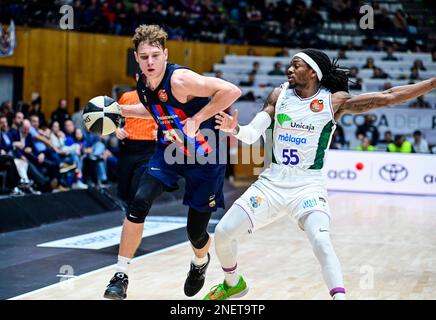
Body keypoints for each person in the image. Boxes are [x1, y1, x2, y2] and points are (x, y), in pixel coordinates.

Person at [204, 48, 436, 300]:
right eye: (290, 65)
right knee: (224, 232)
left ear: (313, 72)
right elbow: (251, 134)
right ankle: (233, 283)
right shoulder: (279, 95)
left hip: (307, 187)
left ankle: (339, 298)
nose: (289, 69)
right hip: (271, 184)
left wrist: (433, 82)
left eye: (296, 65)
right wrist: (235, 128)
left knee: (322, 242)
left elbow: (387, 96)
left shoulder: (333, 101)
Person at [102, 25, 241, 300]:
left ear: (165, 54)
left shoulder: (180, 80)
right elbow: (153, 110)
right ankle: (120, 274)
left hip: (206, 157)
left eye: (155, 55)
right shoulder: (143, 83)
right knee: (139, 200)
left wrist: (198, 118)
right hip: (169, 152)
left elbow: (231, 91)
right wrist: (120, 110)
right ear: (137, 58)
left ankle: (200, 263)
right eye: (144, 57)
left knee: (196, 233)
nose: (150, 62)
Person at [115, 75, 158, 210]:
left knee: (136, 189)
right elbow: (114, 115)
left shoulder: (160, 98)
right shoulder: (127, 97)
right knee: (123, 190)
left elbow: (170, 118)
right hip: (128, 146)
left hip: (148, 148)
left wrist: (162, 131)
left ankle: (132, 219)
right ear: (137, 77)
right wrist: (116, 130)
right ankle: (129, 215)